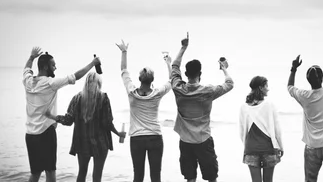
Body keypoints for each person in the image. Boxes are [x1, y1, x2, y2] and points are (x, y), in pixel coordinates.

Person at [23, 47, 100, 182]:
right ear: (46, 67)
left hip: (30, 135)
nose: (55, 68)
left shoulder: (28, 82)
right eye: (53, 65)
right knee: (50, 172)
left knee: (35, 173)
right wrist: (93, 63)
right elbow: (75, 76)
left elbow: (26, 70)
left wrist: (31, 57)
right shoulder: (50, 83)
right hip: (46, 133)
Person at [171, 32, 234, 182]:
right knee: (211, 178)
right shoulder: (208, 91)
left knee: (190, 178)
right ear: (200, 73)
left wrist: (183, 47)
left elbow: (174, 66)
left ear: (185, 74)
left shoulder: (177, 88)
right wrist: (224, 68)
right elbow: (230, 84)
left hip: (185, 141)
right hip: (203, 141)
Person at [46, 72, 126, 182]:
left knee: (82, 173)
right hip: (100, 142)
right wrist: (118, 134)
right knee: (97, 176)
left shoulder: (77, 98)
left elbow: (68, 120)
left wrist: (52, 117)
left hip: (82, 142)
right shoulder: (103, 98)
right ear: (99, 84)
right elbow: (107, 123)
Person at [117, 39, 172, 182]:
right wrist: (168, 64)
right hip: (155, 136)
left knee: (138, 176)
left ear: (139, 79)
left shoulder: (132, 93)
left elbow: (124, 71)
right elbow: (172, 81)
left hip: (137, 139)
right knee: (156, 176)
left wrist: (124, 52)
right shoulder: (157, 93)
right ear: (152, 80)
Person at [239, 76, 284, 182]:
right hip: (268, 148)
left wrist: (247, 145)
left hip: (251, 149)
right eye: (266, 86)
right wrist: (280, 146)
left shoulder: (243, 107)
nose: (268, 88)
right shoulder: (269, 105)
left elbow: (241, 132)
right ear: (261, 87)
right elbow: (277, 129)